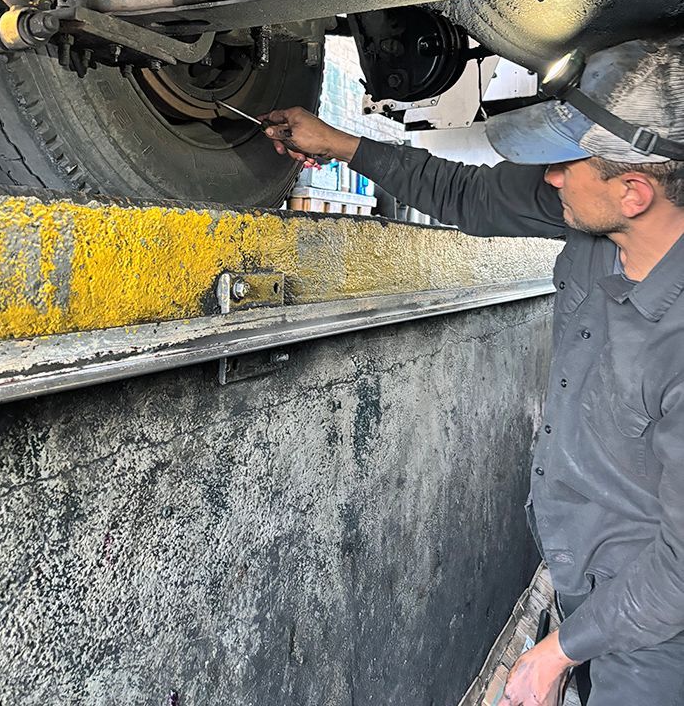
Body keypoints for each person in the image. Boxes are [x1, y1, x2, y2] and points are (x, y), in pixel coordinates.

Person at [261, 38, 684, 706]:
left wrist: (557, 655)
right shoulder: (593, 211)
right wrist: (340, 144)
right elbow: (463, 193)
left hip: (658, 632)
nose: (548, 179)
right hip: (588, 585)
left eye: (563, 165)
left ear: (634, 192)